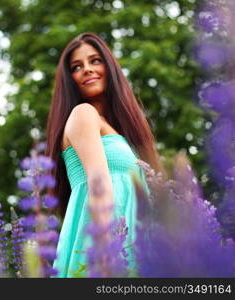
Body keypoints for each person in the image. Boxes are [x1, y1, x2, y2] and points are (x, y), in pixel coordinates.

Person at [45, 32, 164, 277]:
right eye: (77, 67)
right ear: (71, 79)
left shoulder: (123, 134)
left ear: (109, 67)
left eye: (95, 60)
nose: (87, 69)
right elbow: (99, 189)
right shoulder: (83, 114)